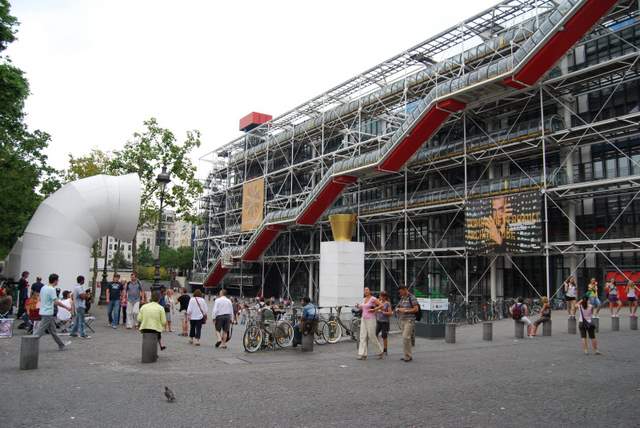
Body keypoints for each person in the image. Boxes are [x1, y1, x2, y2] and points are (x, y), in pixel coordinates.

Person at [32, 274, 71, 351]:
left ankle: (61, 345)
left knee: (53, 331)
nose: (58, 282)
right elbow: (56, 302)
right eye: (58, 280)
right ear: (55, 281)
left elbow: (40, 299)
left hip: (44, 312)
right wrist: (66, 307)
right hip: (48, 313)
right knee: (39, 332)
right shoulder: (52, 289)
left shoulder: (43, 287)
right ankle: (29, 344)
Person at [355, 287, 383, 360]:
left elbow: (381, 305)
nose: (366, 291)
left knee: (371, 336)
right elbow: (362, 308)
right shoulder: (364, 299)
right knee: (362, 336)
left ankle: (380, 351)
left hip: (371, 319)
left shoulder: (373, 299)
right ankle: (362, 354)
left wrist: (374, 309)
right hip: (363, 319)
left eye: (367, 290)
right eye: (365, 290)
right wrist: (358, 306)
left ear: (370, 291)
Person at [395, 285, 419, 362]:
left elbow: (416, 309)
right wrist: (398, 309)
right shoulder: (402, 298)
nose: (400, 293)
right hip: (402, 320)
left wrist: (405, 310)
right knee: (406, 338)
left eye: (401, 292)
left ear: (405, 289)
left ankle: (408, 356)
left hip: (409, 320)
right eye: (399, 292)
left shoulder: (412, 297)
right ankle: (407, 355)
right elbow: (397, 307)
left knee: (405, 337)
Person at [374, 290, 393, 355]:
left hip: (385, 322)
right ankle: (379, 348)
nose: (380, 297)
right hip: (378, 321)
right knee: (375, 334)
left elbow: (390, 313)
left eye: (381, 296)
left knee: (384, 336)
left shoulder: (387, 303)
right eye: (380, 296)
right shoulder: (378, 302)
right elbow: (375, 310)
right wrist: (376, 311)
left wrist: (383, 312)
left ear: (384, 297)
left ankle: (385, 349)